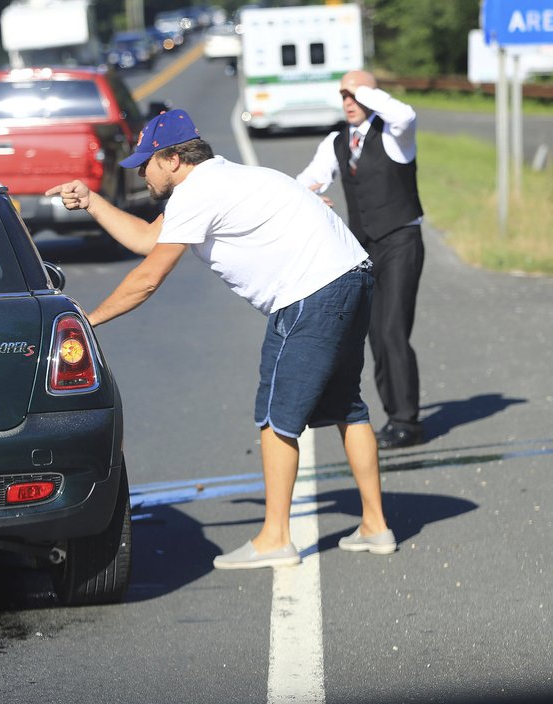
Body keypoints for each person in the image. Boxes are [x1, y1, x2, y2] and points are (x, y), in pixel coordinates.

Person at [45, 109, 396, 569]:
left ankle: (275, 539)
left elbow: (148, 277)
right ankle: (375, 525)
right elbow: (150, 240)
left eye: (146, 164)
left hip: (310, 293)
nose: (141, 176)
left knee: (275, 419)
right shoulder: (224, 180)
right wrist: (91, 201)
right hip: (351, 275)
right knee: (347, 407)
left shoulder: (197, 193)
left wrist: (86, 322)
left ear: (171, 159)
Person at [296, 70, 425, 450]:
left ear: (373, 96)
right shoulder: (337, 142)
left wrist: (367, 92)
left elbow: (406, 115)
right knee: (374, 335)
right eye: (344, 95)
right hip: (365, 246)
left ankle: (407, 422)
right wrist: (310, 197)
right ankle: (394, 417)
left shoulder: (395, 133)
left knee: (392, 330)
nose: (349, 101)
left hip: (401, 239)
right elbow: (306, 181)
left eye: (356, 95)